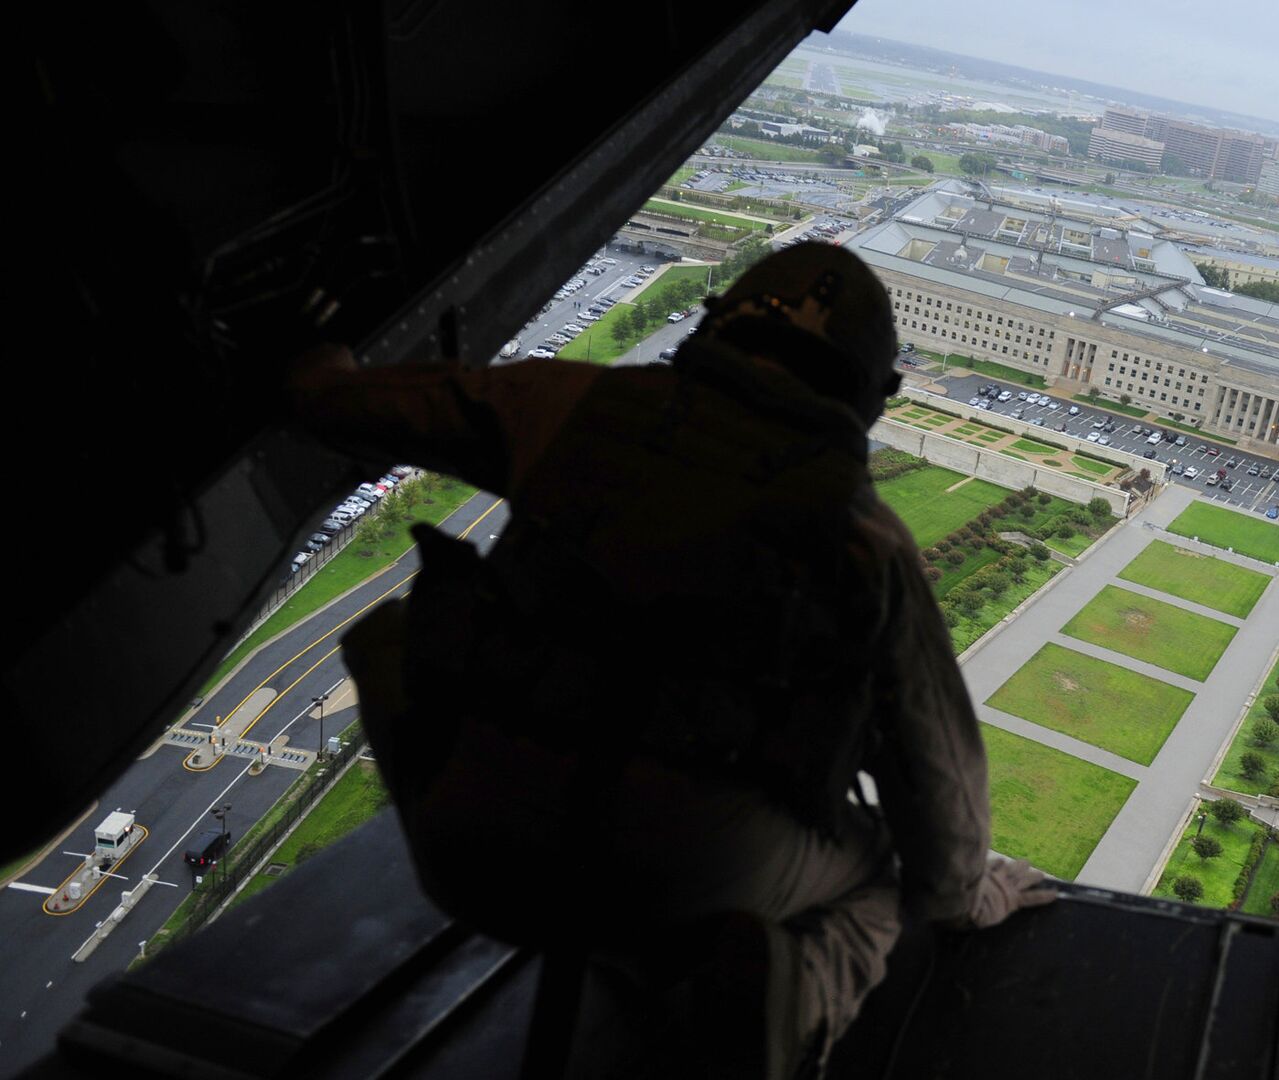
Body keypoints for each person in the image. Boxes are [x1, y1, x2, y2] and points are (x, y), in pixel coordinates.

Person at [285, 243, 1055, 1078]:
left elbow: (338, 403)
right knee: (878, 878)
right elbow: (942, 816)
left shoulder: (566, 405)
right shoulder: (864, 543)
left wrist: (315, 349)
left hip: (469, 853)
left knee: (384, 636)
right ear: (867, 396)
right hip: (678, 884)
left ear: (717, 325)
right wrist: (976, 898)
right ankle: (785, 1003)